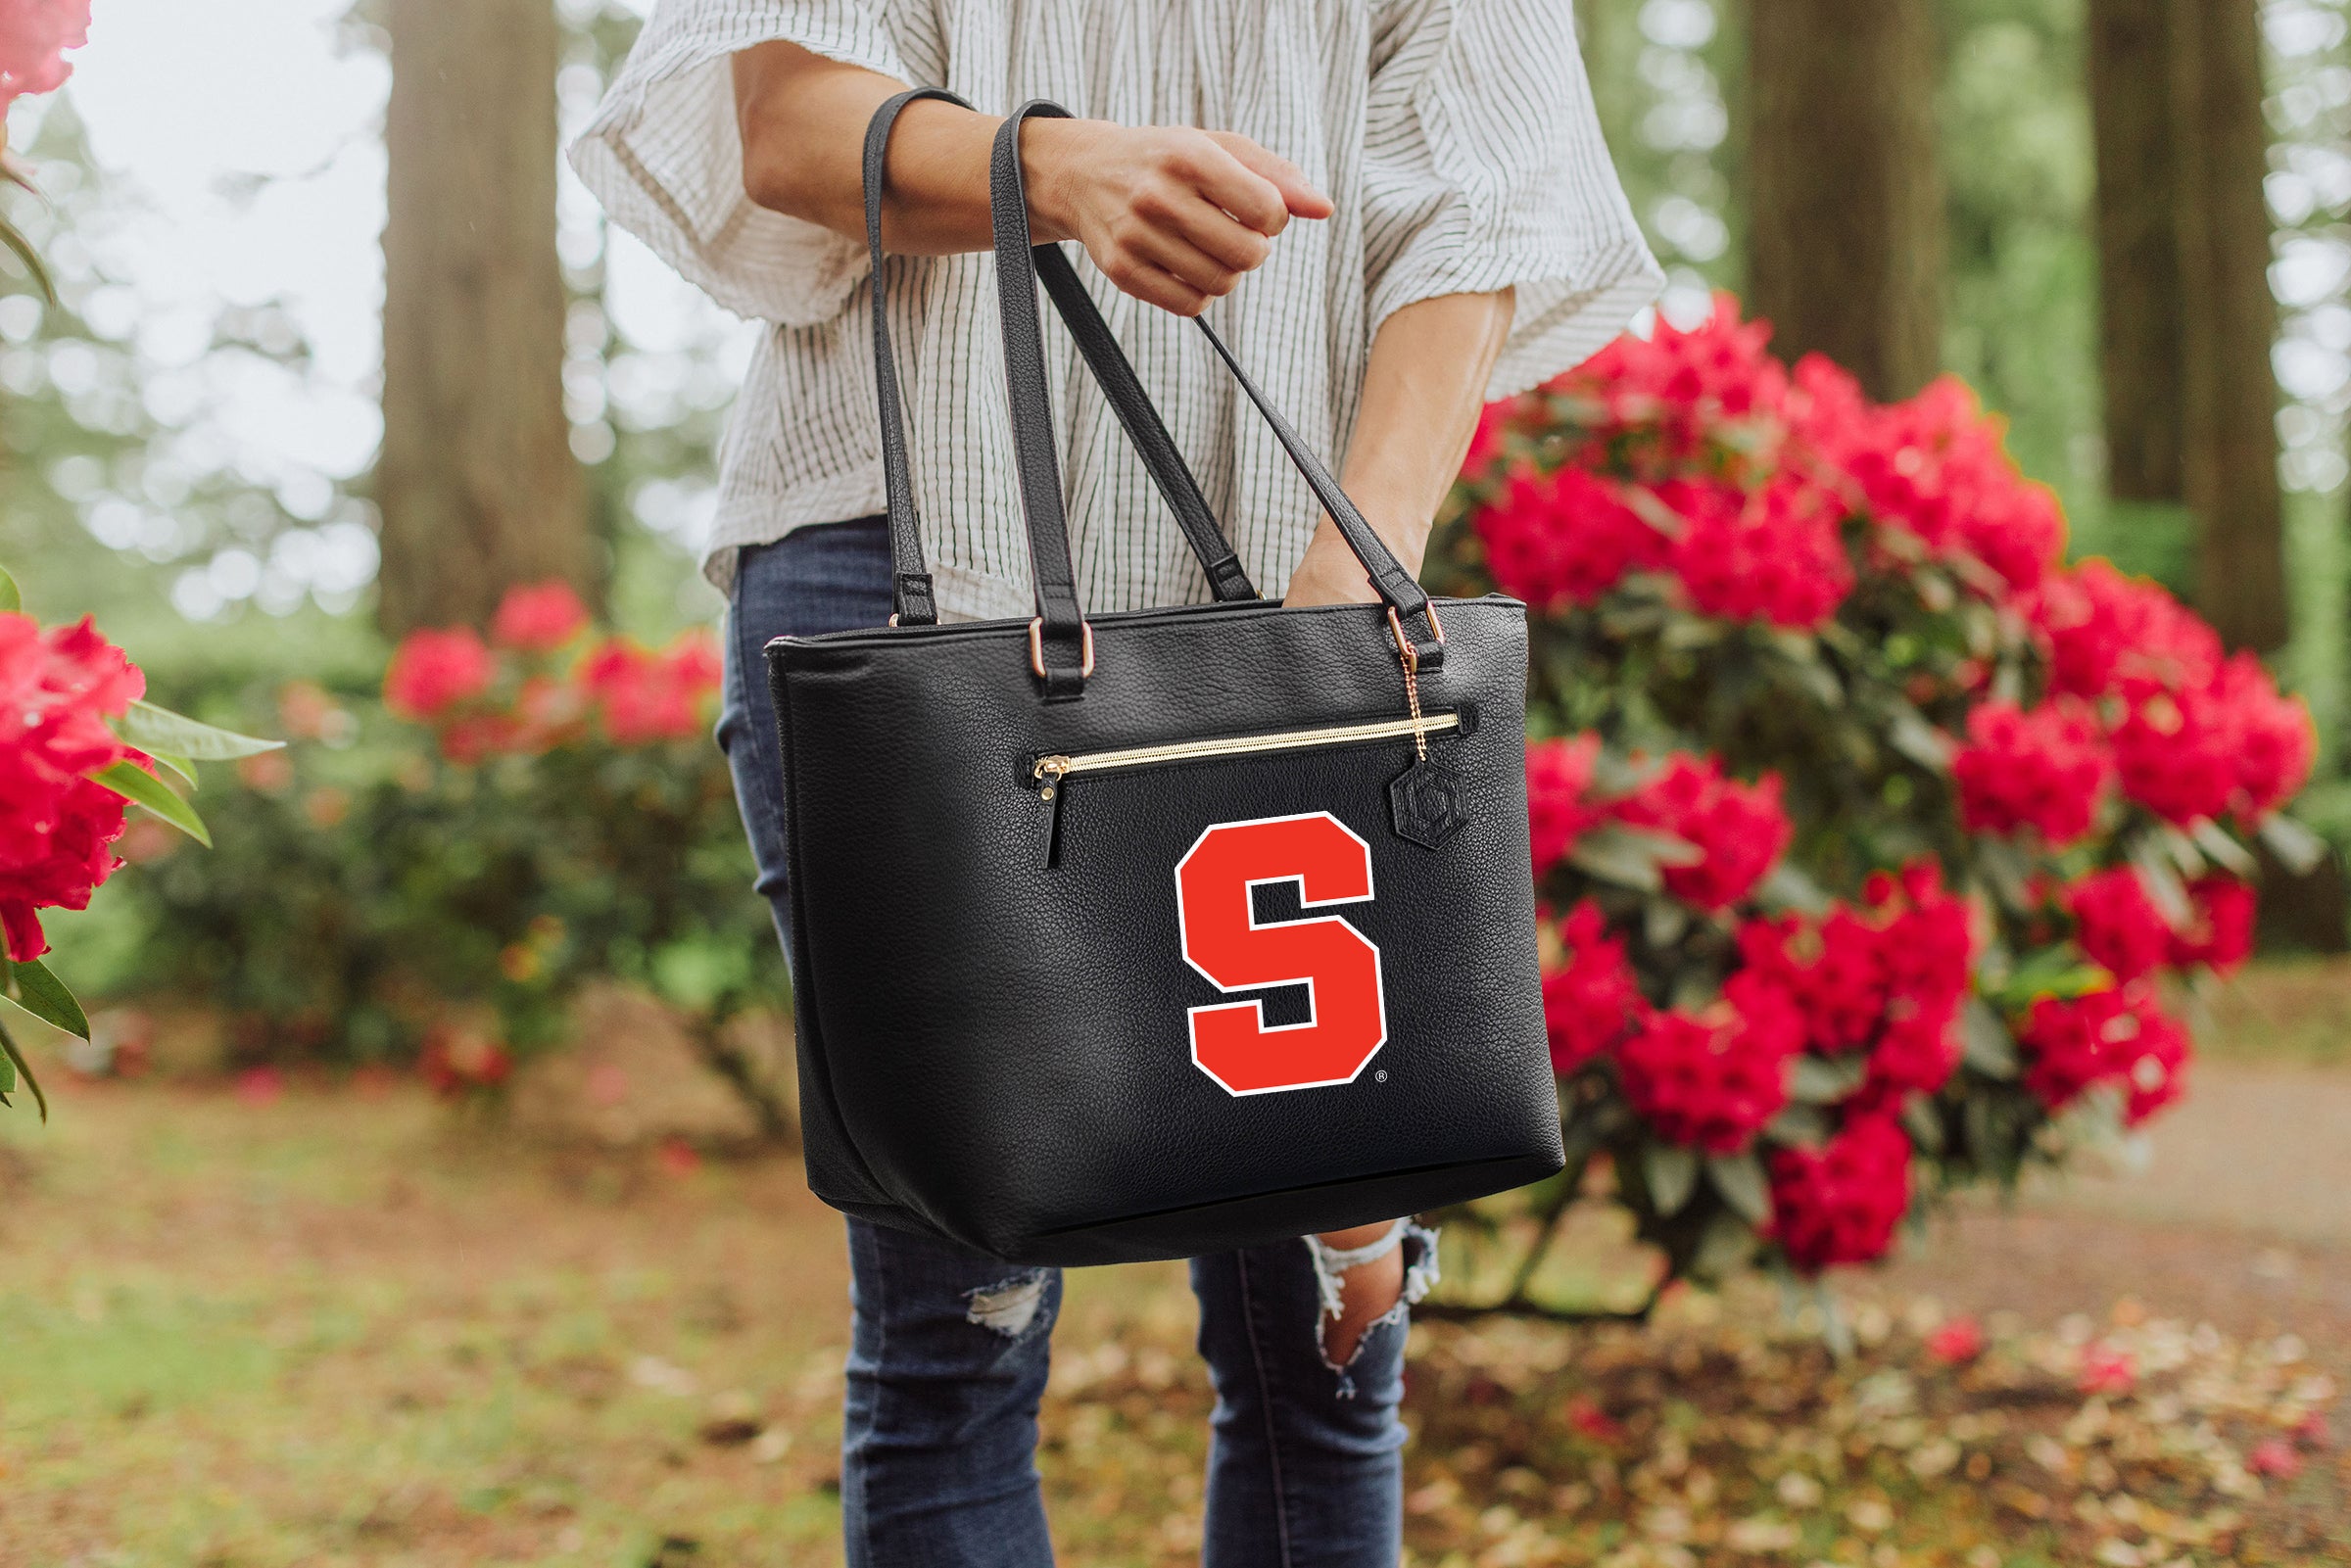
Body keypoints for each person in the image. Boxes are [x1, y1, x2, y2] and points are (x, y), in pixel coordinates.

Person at [575, 4, 1657, 1561]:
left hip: (1289, 576)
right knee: (958, 1336)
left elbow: (1485, 194)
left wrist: (1355, 584)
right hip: (913, 589)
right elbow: (788, 124)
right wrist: (1055, 170)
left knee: (1336, 1342)